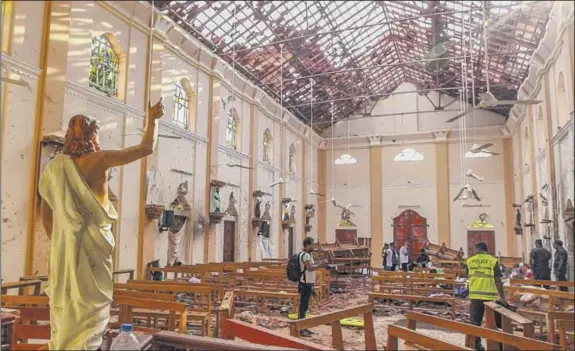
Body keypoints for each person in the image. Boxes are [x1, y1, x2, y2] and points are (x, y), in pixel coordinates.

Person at [39, 99, 165, 350]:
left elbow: (46, 213)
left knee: (68, 299)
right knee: (92, 301)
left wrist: (61, 241)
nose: (97, 138)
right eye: (95, 133)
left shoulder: (54, 168)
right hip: (95, 244)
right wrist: (153, 120)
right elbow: (145, 148)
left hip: (65, 247)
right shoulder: (101, 159)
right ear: (89, 136)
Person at [466, 242, 506, 351]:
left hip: (475, 295)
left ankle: (476, 346)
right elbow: (498, 281)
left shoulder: (470, 261)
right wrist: (502, 298)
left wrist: (468, 294)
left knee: (475, 321)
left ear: (476, 249)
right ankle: (495, 346)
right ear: (486, 250)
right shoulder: (492, 260)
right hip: (489, 295)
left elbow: (469, 278)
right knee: (492, 322)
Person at [298, 237, 326, 337]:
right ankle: (301, 329)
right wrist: (320, 265)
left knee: (305, 307)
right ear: (307, 245)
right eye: (312, 244)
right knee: (303, 307)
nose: (313, 246)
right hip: (304, 284)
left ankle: (304, 327)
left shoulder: (308, 255)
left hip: (307, 284)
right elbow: (310, 268)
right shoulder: (305, 255)